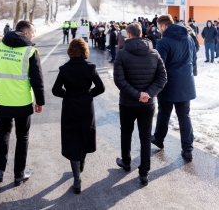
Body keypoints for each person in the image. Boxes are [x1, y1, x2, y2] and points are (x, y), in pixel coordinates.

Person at [0, 20, 44, 186]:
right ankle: (19, 175)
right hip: (22, 102)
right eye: (32, 33)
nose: (33, 36)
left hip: (2, 101)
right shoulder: (30, 51)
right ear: (25, 33)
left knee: (3, 133)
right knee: (22, 136)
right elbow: (37, 80)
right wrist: (40, 101)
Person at [114, 22, 167, 186]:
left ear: (128, 35)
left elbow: (119, 80)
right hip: (147, 104)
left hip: (128, 103)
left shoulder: (121, 54)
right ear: (141, 34)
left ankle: (126, 161)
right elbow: (162, 78)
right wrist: (148, 94)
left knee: (126, 133)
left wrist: (137, 95)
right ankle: (144, 172)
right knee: (145, 136)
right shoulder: (154, 53)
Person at [52, 38, 105, 194]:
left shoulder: (64, 69)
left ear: (70, 50)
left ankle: (77, 179)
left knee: (72, 138)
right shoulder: (91, 67)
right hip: (86, 106)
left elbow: (56, 90)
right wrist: (88, 95)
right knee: (85, 134)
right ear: (85, 50)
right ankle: (81, 163)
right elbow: (100, 88)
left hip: (69, 107)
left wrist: (67, 95)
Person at [151, 14, 196, 162]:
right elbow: (194, 59)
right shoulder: (188, 37)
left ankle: (158, 138)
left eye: (158, 28)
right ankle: (188, 148)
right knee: (184, 115)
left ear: (163, 26)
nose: (158, 31)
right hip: (186, 83)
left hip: (169, 84)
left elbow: (160, 66)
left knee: (164, 112)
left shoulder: (163, 42)